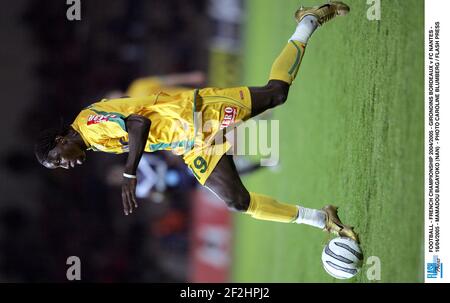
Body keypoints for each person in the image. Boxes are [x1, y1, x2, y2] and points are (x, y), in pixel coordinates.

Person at [34, 2, 358, 242]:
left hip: (198, 114)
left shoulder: (89, 124)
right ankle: (323, 220)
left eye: (59, 161)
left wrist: (130, 172)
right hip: (191, 143)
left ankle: (309, 21)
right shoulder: (93, 142)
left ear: (61, 142)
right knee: (237, 201)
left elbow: (138, 123)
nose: (66, 166)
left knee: (276, 94)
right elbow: (148, 135)